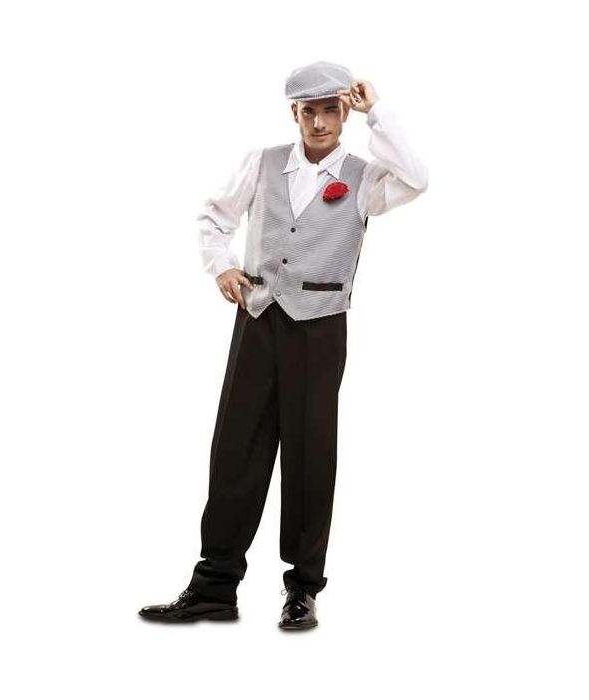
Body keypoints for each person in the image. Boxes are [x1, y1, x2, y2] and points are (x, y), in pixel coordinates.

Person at [138, 60, 428, 629]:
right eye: (309, 111)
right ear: (294, 113)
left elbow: (417, 179)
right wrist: (221, 266)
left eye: (330, 110)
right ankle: (215, 585)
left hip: (320, 326)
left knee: (310, 455)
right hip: (258, 318)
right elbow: (213, 217)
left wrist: (378, 112)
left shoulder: (367, 178)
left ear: (345, 113)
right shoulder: (263, 162)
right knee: (235, 449)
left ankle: (302, 589)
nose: (319, 122)